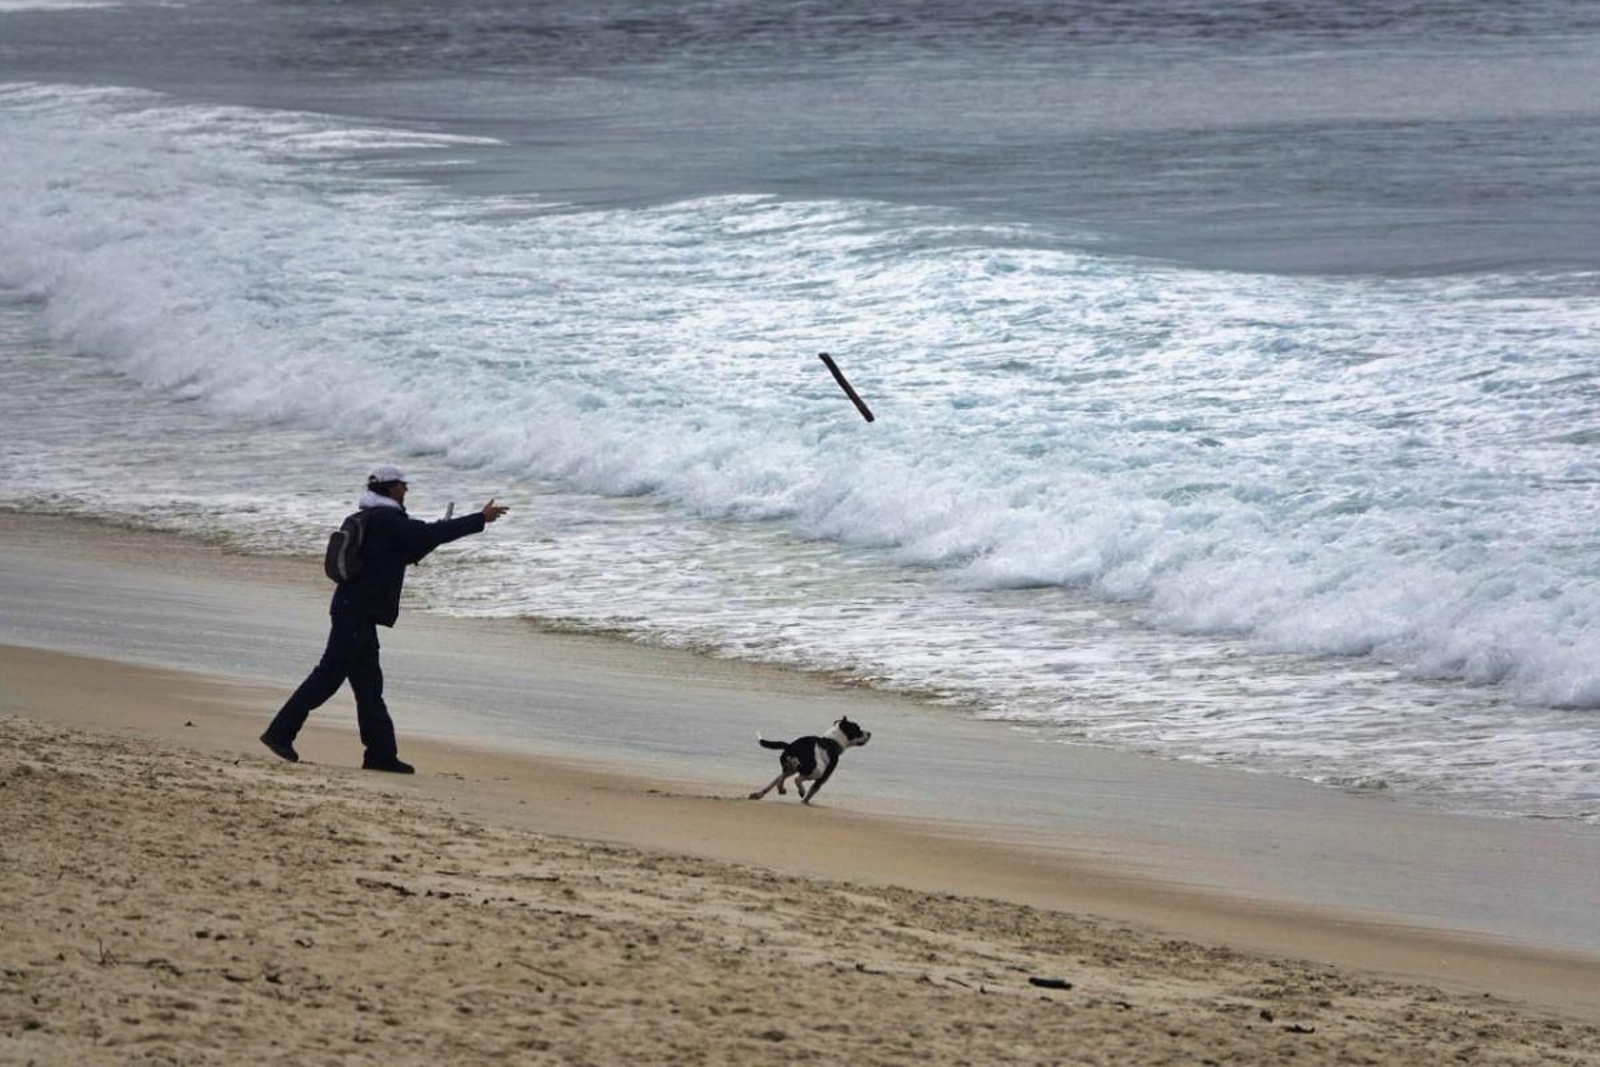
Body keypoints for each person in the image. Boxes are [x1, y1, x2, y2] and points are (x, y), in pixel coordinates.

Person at [260, 465, 509, 773]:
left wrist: (440, 534)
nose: (407, 490)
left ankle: (380, 754)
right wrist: (479, 519)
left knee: (368, 686)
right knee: (328, 677)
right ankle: (280, 732)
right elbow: (428, 534)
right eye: (403, 486)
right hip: (356, 612)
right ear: (391, 489)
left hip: (356, 611)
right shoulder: (386, 520)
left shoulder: (373, 518)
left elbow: (407, 550)